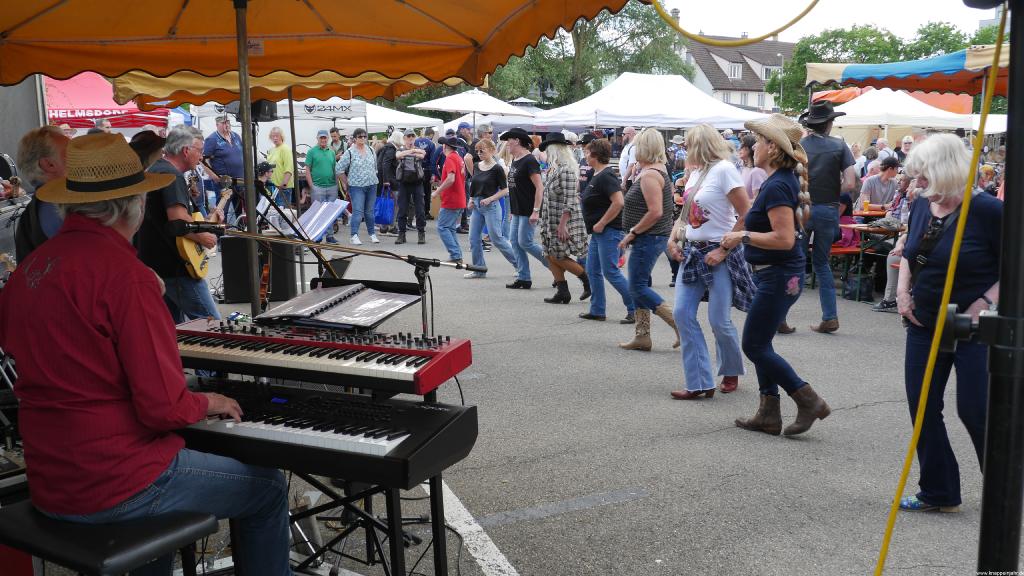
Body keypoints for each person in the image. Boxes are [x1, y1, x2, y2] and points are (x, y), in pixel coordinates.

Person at [0, 132, 293, 576]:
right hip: (117, 481)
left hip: (51, 479)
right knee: (268, 487)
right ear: (133, 206)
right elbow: (162, 407)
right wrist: (209, 401)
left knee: (164, 506)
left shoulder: (30, 272)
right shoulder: (127, 277)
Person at [896, 134, 1001, 512]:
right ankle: (939, 491)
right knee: (922, 406)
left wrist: (985, 303)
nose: (917, 185)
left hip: (973, 329)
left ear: (946, 171)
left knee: (976, 409)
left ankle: (1005, 490)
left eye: (923, 177)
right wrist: (903, 292)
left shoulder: (989, 211)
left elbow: (1015, 268)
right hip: (923, 322)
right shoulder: (925, 205)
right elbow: (910, 251)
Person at [722, 114, 831, 437]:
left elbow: (784, 240)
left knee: (754, 345)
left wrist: (742, 237)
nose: (753, 146)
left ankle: (807, 399)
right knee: (762, 343)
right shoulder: (778, 181)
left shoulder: (779, 184)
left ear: (772, 147)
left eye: (758, 141)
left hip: (779, 275)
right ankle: (769, 413)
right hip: (777, 275)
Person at [667, 124, 751, 399]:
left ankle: (729, 368)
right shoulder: (696, 173)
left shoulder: (725, 170)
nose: (684, 150)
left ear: (700, 146)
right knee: (681, 313)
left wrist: (724, 250)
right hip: (692, 251)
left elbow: (747, 214)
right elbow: (686, 215)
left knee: (718, 319)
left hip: (718, 252)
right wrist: (673, 239)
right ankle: (700, 381)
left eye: (689, 145)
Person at [137, 125, 221, 322]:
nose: (201, 157)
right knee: (211, 324)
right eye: (199, 151)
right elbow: (178, 220)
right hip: (176, 266)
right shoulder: (172, 176)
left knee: (175, 327)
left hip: (157, 264)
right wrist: (205, 237)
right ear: (186, 151)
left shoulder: (156, 169)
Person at [798, 100, 857, 334]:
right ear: (830, 123)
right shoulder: (840, 146)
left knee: (796, 263)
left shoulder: (800, 146)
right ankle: (830, 317)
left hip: (803, 209)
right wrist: (832, 191)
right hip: (829, 211)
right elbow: (850, 184)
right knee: (822, 263)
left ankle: (779, 316)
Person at [617, 128, 678, 351]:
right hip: (650, 237)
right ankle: (642, 336)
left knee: (637, 287)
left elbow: (655, 212)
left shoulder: (651, 174)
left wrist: (632, 232)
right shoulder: (655, 170)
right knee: (639, 285)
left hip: (648, 237)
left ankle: (677, 323)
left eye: (636, 146)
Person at [579, 138, 635, 323]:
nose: (585, 155)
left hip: (609, 231)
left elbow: (619, 202)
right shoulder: (598, 175)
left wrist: (602, 222)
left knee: (610, 271)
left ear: (595, 155)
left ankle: (634, 308)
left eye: (587, 152)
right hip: (599, 232)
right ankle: (597, 309)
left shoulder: (606, 176)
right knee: (592, 269)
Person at [537, 133, 590, 303]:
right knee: (548, 254)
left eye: (548, 150)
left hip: (561, 220)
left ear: (555, 151)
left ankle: (588, 282)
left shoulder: (566, 170)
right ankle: (562, 291)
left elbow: (570, 200)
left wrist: (562, 225)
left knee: (558, 255)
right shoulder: (555, 168)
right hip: (549, 219)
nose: (545, 154)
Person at [500, 128, 548, 289]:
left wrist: (536, 210)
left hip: (529, 209)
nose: (507, 144)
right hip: (518, 210)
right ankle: (524, 277)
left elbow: (539, 187)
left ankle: (556, 268)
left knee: (525, 242)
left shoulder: (530, 161)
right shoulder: (516, 160)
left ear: (518, 141)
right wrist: (513, 210)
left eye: (509, 140)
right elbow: (515, 188)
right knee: (514, 241)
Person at [14, 126, 70, 260]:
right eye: (71, 151)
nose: (79, 155)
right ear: (49, 164)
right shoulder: (60, 206)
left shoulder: (38, 207)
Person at [466, 138, 517, 278]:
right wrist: (471, 199)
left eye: (482, 150)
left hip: (491, 206)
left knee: (497, 239)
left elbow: (505, 190)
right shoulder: (477, 166)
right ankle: (479, 269)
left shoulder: (497, 168)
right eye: (477, 151)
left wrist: (491, 198)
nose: (479, 153)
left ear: (491, 150)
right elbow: (474, 184)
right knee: (473, 238)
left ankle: (519, 265)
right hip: (477, 205)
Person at [873, 174, 915, 313]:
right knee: (887, 250)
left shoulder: (918, 206)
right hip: (900, 237)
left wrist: (903, 244)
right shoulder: (901, 197)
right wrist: (900, 244)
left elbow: (908, 229)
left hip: (920, 251)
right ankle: (889, 298)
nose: (899, 183)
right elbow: (907, 231)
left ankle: (893, 298)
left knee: (891, 253)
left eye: (903, 181)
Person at [336, 127, 380, 245]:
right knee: (358, 211)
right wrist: (346, 182)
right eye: (360, 136)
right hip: (356, 186)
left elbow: (375, 168)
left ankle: (372, 234)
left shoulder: (371, 150)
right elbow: (339, 169)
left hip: (372, 184)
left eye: (365, 136)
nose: (363, 138)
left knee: (370, 211)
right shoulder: (350, 152)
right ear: (355, 139)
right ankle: (354, 235)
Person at [432, 136, 467, 264]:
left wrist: (437, 191)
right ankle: (456, 255)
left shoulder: (450, 158)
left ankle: (455, 255)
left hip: (452, 200)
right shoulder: (458, 157)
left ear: (445, 146)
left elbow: (451, 179)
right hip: (459, 198)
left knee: (442, 227)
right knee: (450, 228)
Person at [202, 114, 244, 223]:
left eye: (228, 122)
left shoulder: (235, 136)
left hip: (239, 181)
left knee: (240, 210)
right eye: (224, 123)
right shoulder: (212, 139)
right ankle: (220, 236)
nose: (227, 125)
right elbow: (203, 161)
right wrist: (214, 176)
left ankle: (241, 233)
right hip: (224, 182)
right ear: (217, 125)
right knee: (222, 210)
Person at [305, 129, 341, 243]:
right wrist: (312, 185)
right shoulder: (312, 152)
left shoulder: (331, 152)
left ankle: (329, 236)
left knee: (329, 213)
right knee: (317, 212)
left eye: (325, 138)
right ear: (317, 139)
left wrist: (336, 185)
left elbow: (334, 169)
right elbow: (307, 170)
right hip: (317, 187)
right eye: (321, 138)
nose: (323, 140)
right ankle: (317, 235)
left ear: (328, 139)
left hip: (331, 186)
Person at [395, 130, 426, 245]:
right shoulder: (400, 149)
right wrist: (413, 151)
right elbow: (398, 155)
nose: (411, 138)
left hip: (417, 182)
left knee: (420, 210)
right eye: (408, 136)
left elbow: (423, 154)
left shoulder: (418, 148)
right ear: (404, 138)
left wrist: (409, 152)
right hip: (403, 182)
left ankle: (421, 233)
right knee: (402, 209)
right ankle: (401, 234)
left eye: (413, 136)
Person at [265, 126, 294, 206]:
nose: (275, 138)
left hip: (282, 188)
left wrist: (283, 184)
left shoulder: (285, 149)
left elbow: (289, 168)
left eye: (277, 136)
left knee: (283, 213)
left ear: (281, 136)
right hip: (272, 187)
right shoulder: (271, 150)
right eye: (273, 136)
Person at [415, 128, 437, 227]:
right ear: (431, 134)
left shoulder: (416, 141)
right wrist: (433, 173)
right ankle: (426, 212)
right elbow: (433, 160)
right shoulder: (431, 144)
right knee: (427, 192)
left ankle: (417, 211)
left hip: (416, 170)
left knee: (417, 192)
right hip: (427, 171)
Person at [739, 134, 766, 200]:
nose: (740, 149)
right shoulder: (745, 168)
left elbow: (758, 199)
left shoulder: (756, 171)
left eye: (743, 146)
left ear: (749, 148)